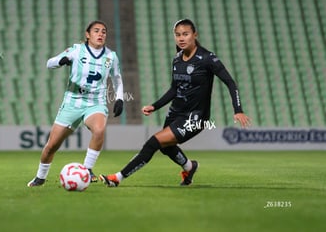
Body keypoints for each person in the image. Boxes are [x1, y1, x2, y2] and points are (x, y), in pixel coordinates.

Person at [100, 18, 251, 187]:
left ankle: (118, 178)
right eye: (178, 35)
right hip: (175, 113)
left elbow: (231, 82)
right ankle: (189, 167)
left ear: (194, 35)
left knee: (153, 142)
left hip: (196, 118)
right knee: (166, 147)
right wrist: (155, 106)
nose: (181, 38)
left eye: (185, 34)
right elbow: (174, 89)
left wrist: (238, 109)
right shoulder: (177, 59)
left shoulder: (207, 58)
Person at [28, 20, 124, 187]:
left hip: (96, 102)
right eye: (96, 31)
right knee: (52, 146)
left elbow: (117, 79)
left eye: (103, 31)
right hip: (72, 102)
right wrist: (62, 60)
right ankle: (40, 177)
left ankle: (87, 169)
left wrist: (120, 98)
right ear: (87, 35)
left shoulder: (111, 56)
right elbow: (49, 63)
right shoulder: (77, 50)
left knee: (99, 129)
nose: (101, 34)